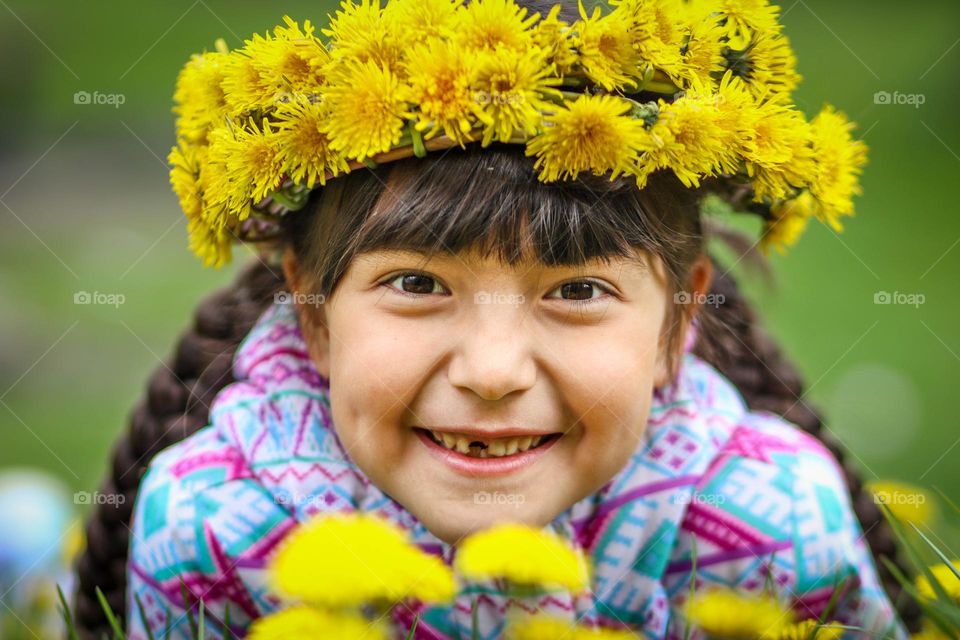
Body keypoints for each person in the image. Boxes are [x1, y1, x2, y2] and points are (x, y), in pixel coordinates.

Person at [72, 0, 918, 638]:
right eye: (416, 283)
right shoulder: (212, 535)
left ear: (678, 323)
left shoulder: (773, 539)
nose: (491, 370)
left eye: (578, 292)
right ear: (315, 318)